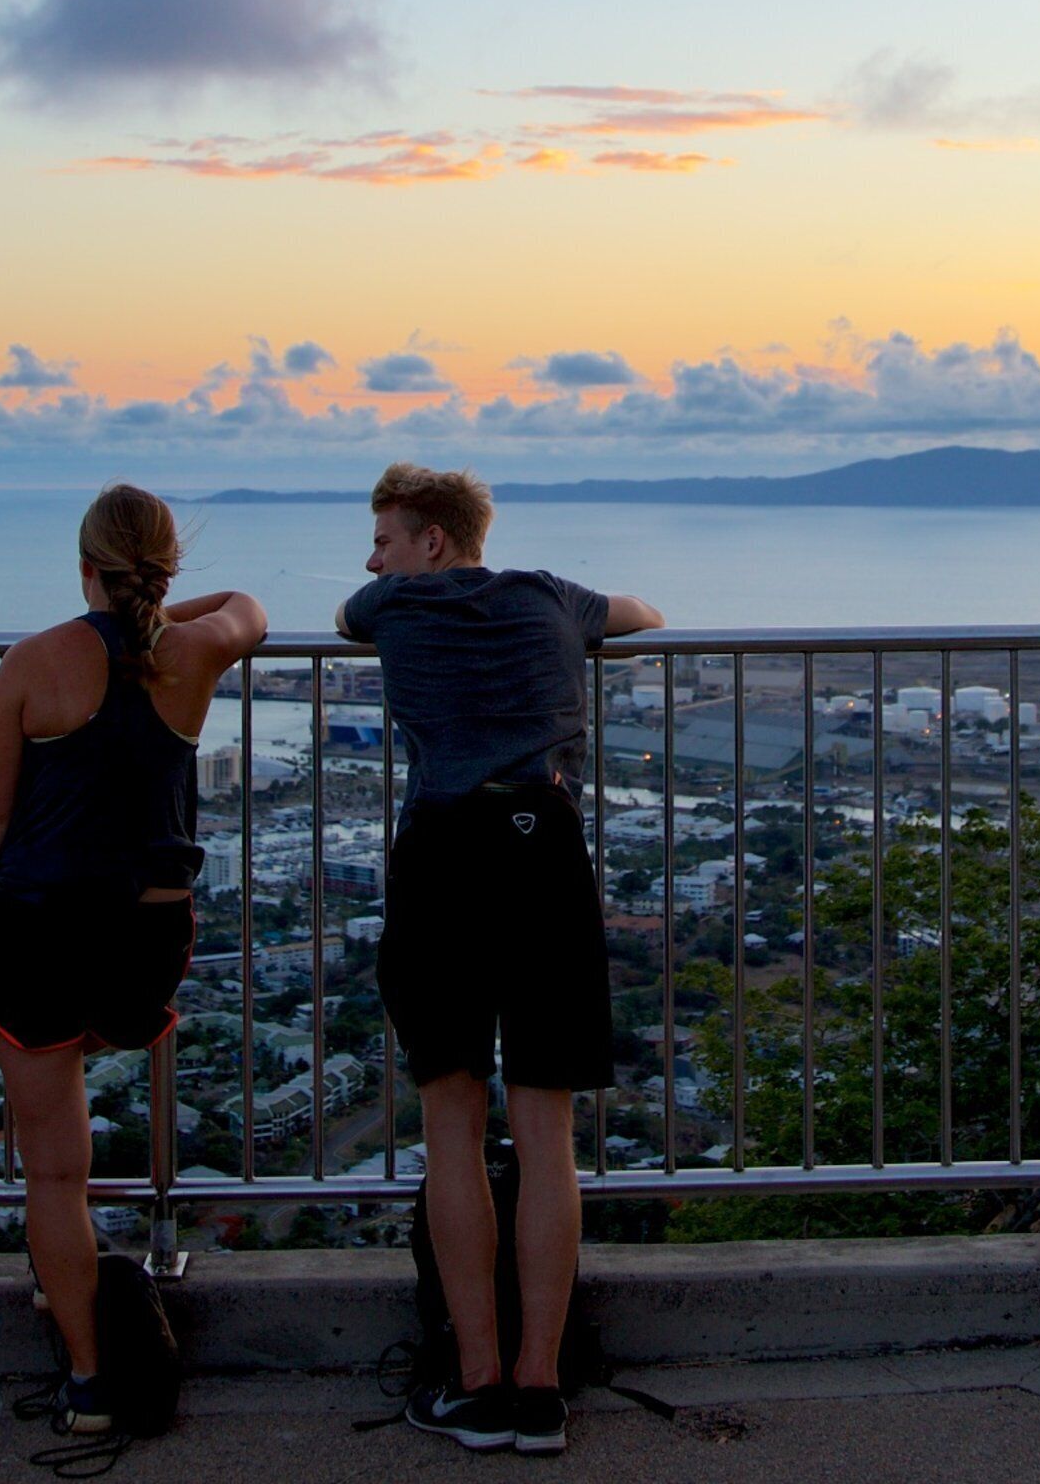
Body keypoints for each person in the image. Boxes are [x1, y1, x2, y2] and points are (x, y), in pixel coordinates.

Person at [339, 462, 663, 1456]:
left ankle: (475, 1381)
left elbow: (352, 615)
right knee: (546, 1128)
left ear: (432, 542)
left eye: (387, 536)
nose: (374, 556)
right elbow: (644, 612)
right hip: (543, 849)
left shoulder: (386, 605)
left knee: (451, 1118)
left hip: (442, 853)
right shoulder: (549, 595)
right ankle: (539, 1390)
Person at [0, 487, 266, 1439]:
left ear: (83, 564)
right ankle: (90, 1304)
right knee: (83, 1099)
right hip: (146, 941)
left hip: (42, 925)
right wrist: (156, 614)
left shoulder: (31, 660)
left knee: (55, 1173)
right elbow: (249, 608)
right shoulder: (191, 654)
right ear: (166, 570)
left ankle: (91, 1380)